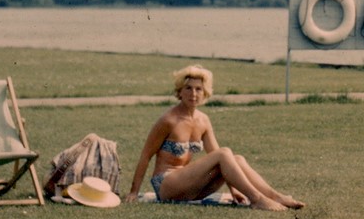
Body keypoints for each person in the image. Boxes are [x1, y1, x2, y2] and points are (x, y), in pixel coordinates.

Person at [124, 65, 304, 211]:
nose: (193, 94)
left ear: (205, 93)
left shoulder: (203, 120)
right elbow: (145, 156)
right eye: (188, 88)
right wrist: (134, 192)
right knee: (224, 153)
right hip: (167, 185)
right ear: (180, 91)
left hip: (190, 187)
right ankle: (257, 199)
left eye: (198, 89)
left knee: (236, 159)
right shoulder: (168, 120)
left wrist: (235, 190)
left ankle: (275, 196)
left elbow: (223, 161)